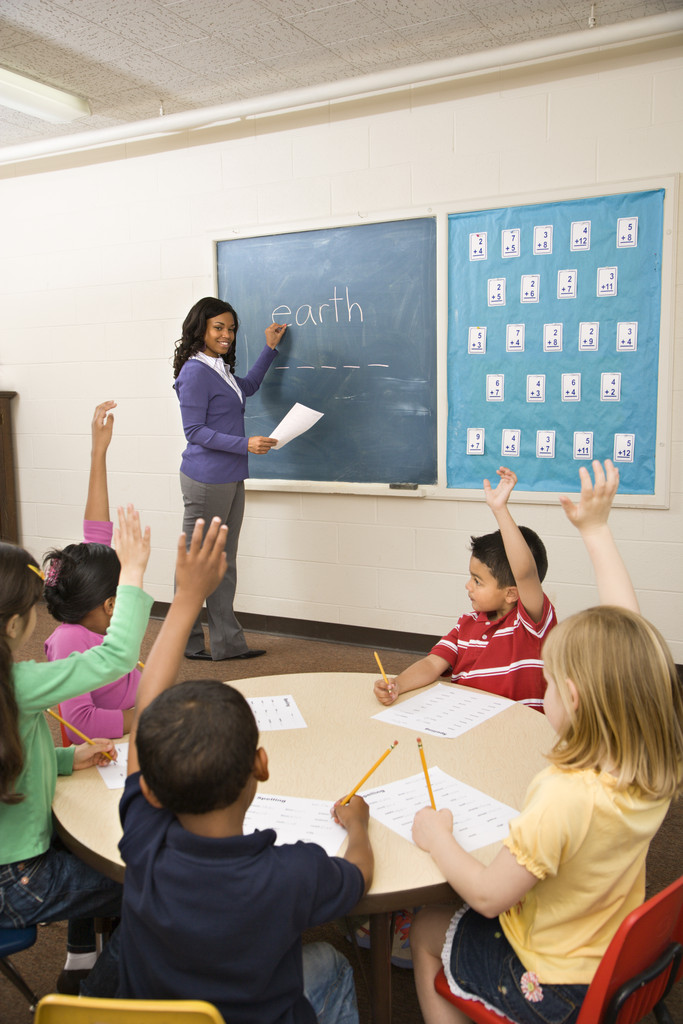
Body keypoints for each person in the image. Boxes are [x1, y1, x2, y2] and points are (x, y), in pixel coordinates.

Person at [409, 460, 683, 1024]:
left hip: (550, 984)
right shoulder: (649, 768)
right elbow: (630, 641)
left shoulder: (565, 795)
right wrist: (596, 531)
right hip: (612, 956)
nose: (546, 688)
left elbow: (487, 896)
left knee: (428, 930)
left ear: (575, 699)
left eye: (551, 681)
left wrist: (437, 840)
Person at [114, 515, 374, 1024]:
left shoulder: (145, 843)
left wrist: (186, 599)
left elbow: (147, 710)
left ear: (151, 791)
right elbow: (359, 876)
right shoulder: (293, 873)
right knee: (336, 967)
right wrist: (359, 826)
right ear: (261, 764)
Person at [0, 504, 153, 995]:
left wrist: (68, 757)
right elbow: (116, 655)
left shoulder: (12, 692)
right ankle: (96, 1000)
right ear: (12, 627)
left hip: (10, 869)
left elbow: (12, 754)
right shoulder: (16, 683)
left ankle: (88, 958)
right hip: (17, 881)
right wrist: (133, 573)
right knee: (155, 885)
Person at [373, 466, 556, 713]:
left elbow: (525, 574)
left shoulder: (530, 624)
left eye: (478, 581)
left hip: (517, 733)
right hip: (468, 726)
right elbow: (431, 665)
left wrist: (499, 509)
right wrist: (398, 684)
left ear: (512, 593)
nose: (468, 586)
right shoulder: (465, 626)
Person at [173, 295, 287, 662]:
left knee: (223, 562)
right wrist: (245, 443)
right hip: (207, 479)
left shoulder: (217, 366)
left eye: (231, 329)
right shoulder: (194, 371)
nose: (227, 335)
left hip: (230, 475)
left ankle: (226, 644)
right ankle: (186, 642)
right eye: (219, 327)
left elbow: (247, 387)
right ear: (201, 329)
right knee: (199, 563)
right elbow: (195, 431)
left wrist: (270, 349)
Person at [44, 401, 140, 744]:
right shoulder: (70, 641)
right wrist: (145, 715)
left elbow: (96, 531)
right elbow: (79, 723)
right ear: (110, 605)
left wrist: (98, 451)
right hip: (106, 748)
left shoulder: (90, 597)